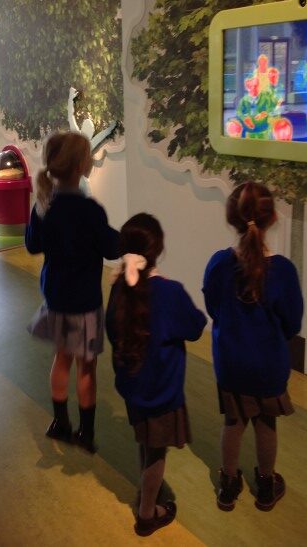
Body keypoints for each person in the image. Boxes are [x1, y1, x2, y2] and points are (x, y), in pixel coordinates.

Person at [203, 181, 303, 512]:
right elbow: (292, 324)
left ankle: (228, 487)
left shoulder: (219, 263)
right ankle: (265, 486)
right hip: (269, 365)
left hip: (230, 363)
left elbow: (213, 308)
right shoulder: (284, 271)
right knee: (266, 424)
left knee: (233, 423)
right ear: (272, 217)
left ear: (231, 217)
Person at [106, 213, 206, 537]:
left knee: (146, 440)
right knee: (157, 452)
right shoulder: (169, 291)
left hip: (133, 386)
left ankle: (146, 490)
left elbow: (111, 330)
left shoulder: (119, 288)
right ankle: (148, 513)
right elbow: (195, 327)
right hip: (162, 389)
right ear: (158, 249)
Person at [25, 131, 120, 452]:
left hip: (56, 298)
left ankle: (60, 423)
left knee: (62, 359)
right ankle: (86, 433)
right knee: (86, 367)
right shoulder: (89, 210)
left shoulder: (43, 205)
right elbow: (111, 248)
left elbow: (32, 245)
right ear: (81, 165)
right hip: (85, 302)